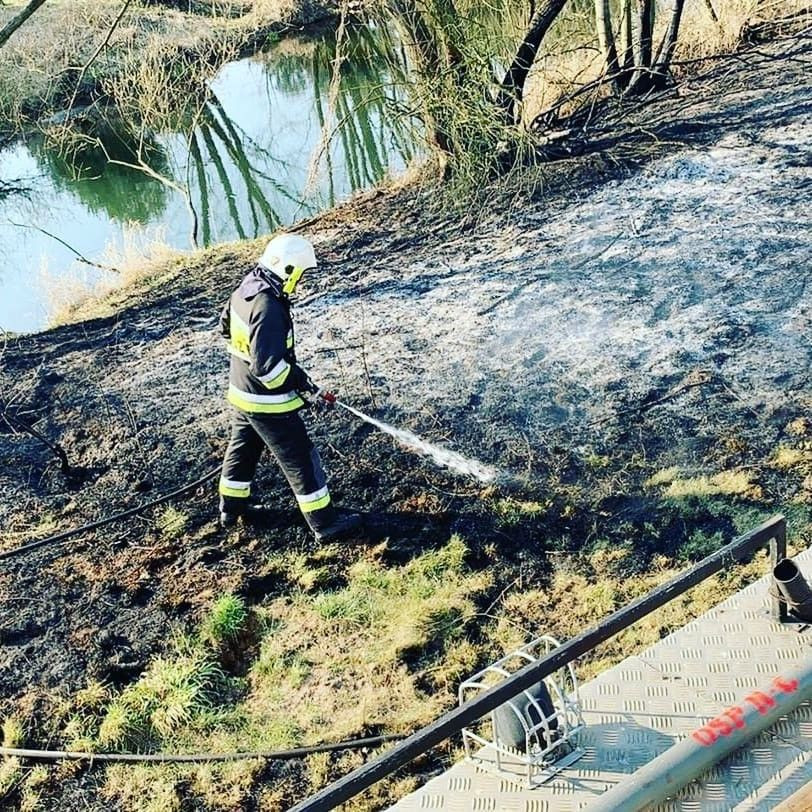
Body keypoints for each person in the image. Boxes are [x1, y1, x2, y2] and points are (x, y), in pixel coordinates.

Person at [217, 233, 362, 540]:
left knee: (243, 450)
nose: (301, 280)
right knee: (301, 457)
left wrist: (302, 383)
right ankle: (324, 524)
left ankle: (231, 509)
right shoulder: (268, 306)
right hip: (266, 403)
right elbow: (269, 369)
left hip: (242, 392)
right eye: (301, 273)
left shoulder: (247, 287)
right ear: (288, 270)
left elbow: (225, 329)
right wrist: (304, 387)